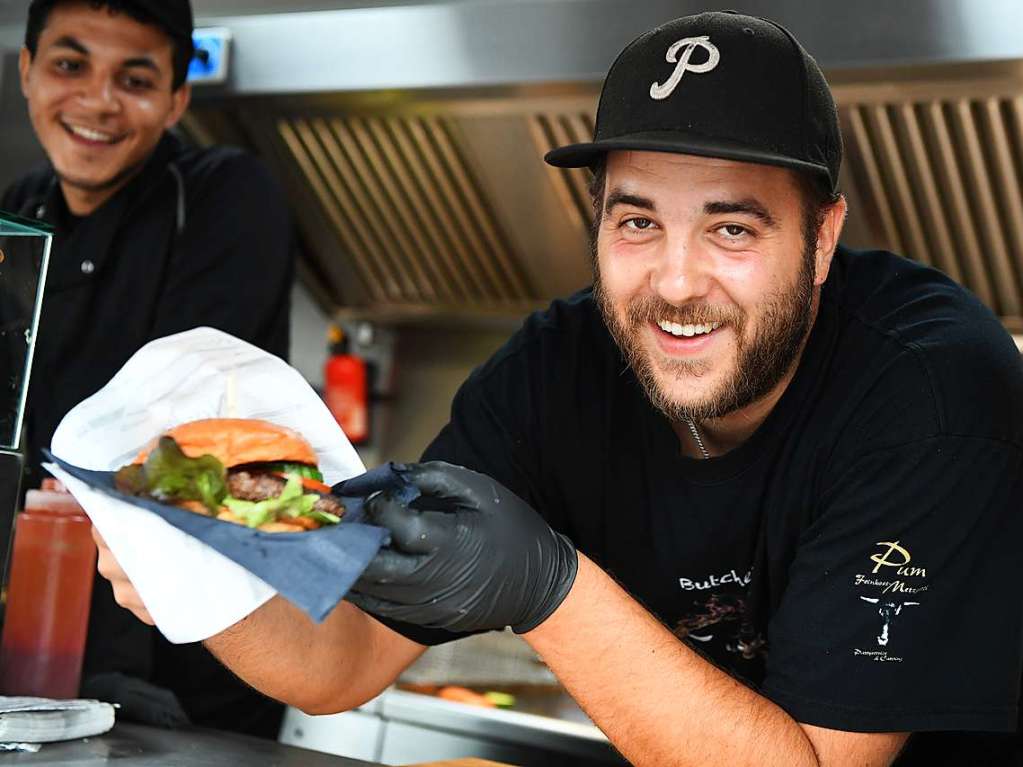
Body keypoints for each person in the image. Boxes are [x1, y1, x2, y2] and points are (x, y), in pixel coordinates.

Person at [95, 11, 1023, 766]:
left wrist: (549, 585)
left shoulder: (929, 390)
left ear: (820, 239)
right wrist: (195, 566)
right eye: (635, 221)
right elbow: (339, 659)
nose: (673, 280)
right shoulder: (555, 370)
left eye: (731, 229)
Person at [3, 0, 292, 738]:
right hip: (40, 641)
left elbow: (161, 428)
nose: (98, 101)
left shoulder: (226, 197)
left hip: (193, 665)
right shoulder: (21, 210)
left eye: (134, 78)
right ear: (27, 71)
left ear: (176, 100)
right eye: (70, 65)